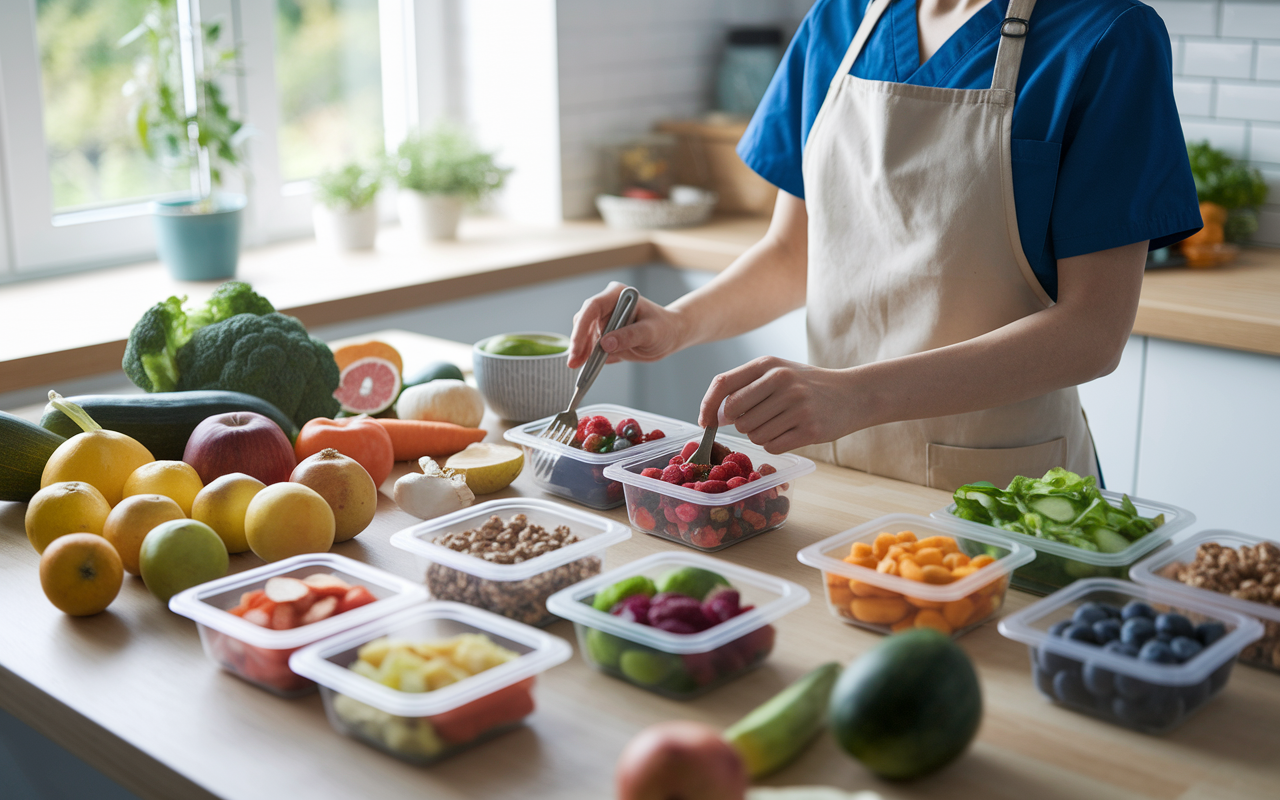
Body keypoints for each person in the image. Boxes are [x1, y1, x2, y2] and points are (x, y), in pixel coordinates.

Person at [568, 0, 1201, 492]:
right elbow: (795, 253)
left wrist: (857, 396)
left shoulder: (1106, 34)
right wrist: (677, 324)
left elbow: (1092, 332)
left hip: (998, 491)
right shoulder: (842, 19)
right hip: (833, 473)